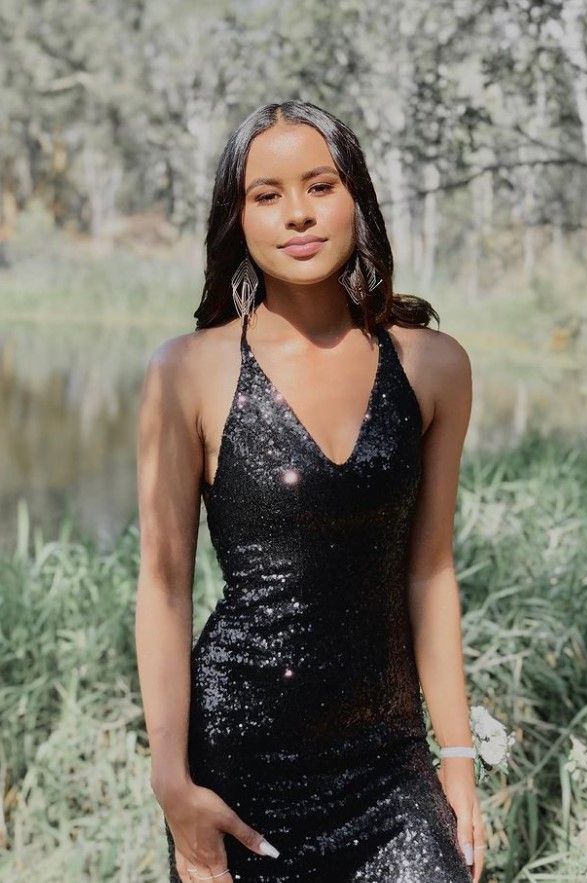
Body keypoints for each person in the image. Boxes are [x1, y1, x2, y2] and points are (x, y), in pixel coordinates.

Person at [135, 100, 486, 882]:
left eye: (320, 186)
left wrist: (458, 757)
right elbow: (162, 585)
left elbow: (431, 571)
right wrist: (172, 783)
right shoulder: (187, 371)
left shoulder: (434, 366)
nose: (297, 212)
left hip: (391, 768)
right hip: (240, 767)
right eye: (267, 195)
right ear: (238, 218)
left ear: (355, 197)